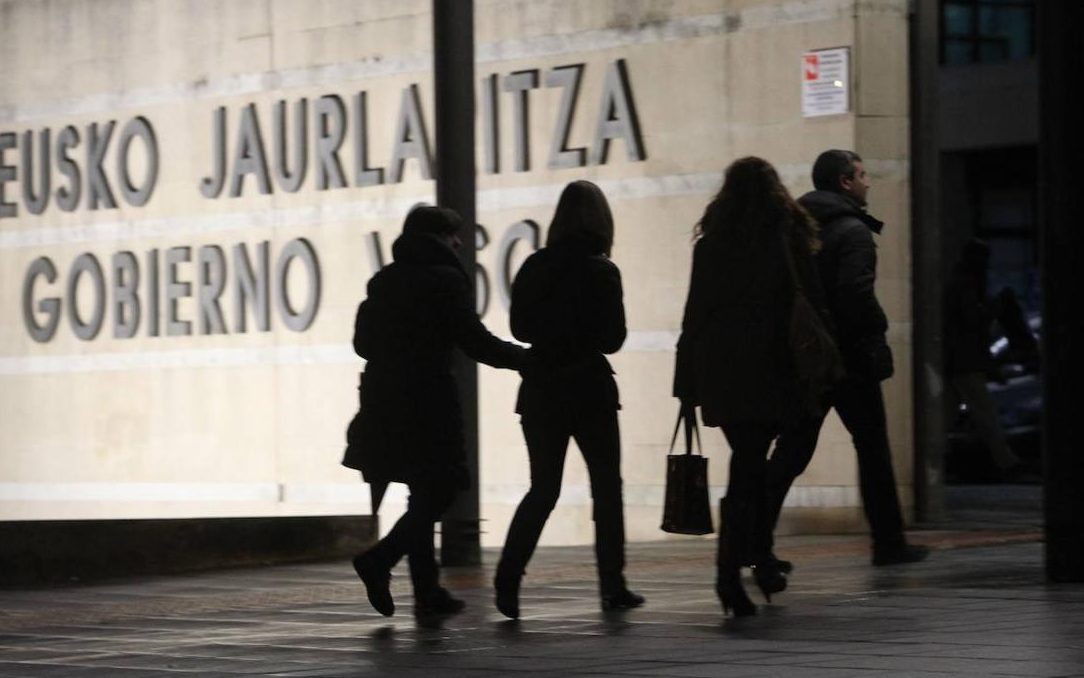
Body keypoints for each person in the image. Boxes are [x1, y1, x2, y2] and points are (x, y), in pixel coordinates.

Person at [344, 205, 526, 619]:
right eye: (452, 235)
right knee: (440, 489)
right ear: (439, 238)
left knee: (420, 491)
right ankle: (380, 559)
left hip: (384, 399)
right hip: (429, 399)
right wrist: (527, 360)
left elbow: (363, 344)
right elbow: (475, 341)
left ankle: (428, 591)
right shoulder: (446, 280)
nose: (459, 242)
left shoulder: (384, 280)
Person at [764, 149, 928, 569]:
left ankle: (753, 537)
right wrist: (877, 325)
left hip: (808, 358)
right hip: (849, 360)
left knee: (792, 451)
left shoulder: (795, 229)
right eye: (862, 174)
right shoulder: (853, 231)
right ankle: (888, 543)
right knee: (872, 447)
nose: (868, 182)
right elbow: (856, 295)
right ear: (844, 182)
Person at [674, 156, 822, 617]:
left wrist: (685, 383)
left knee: (749, 466)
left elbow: (694, 315)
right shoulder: (788, 236)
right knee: (751, 471)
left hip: (723, 372)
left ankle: (748, 566)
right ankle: (739, 570)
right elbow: (810, 301)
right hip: (774, 368)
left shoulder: (712, 243)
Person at [494, 181, 643, 619]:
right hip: (590, 388)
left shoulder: (534, 266)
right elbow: (613, 339)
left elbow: (519, 329)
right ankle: (612, 585)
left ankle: (508, 576)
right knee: (606, 487)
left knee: (543, 488)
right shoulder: (602, 270)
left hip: (541, 387)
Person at [944, 239, 1026, 475]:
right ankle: (1005, 461)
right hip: (964, 362)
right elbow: (974, 322)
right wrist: (997, 307)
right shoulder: (965, 286)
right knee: (985, 413)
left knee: (961, 415)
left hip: (960, 361)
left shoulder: (962, 284)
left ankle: (999, 460)